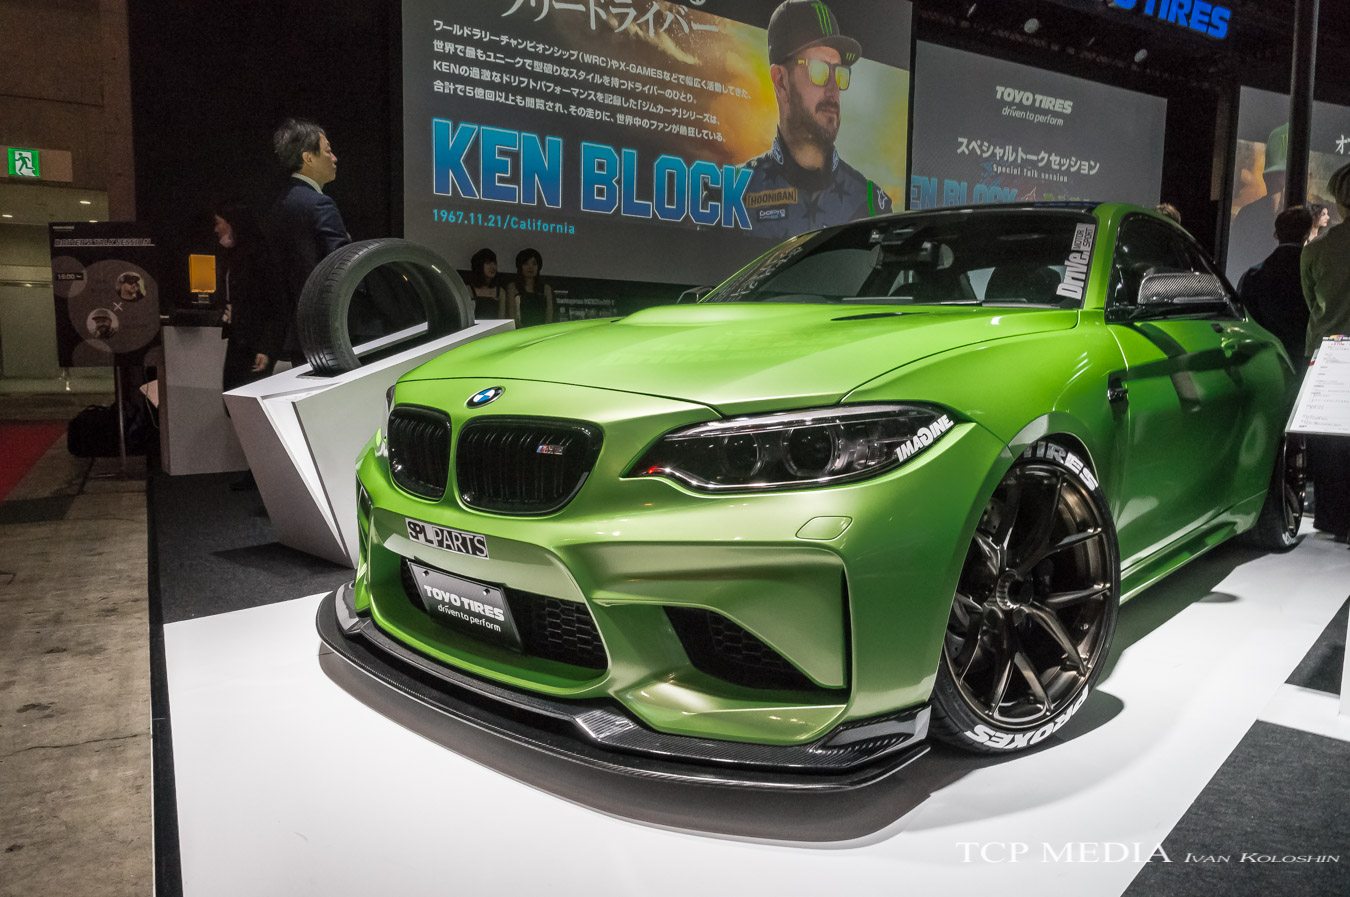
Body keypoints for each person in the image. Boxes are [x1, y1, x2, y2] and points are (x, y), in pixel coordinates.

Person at [741, 0, 892, 239]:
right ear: (781, 81)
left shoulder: (871, 204)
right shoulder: (735, 193)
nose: (833, 89)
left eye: (839, 73)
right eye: (819, 70)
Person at [264, 118, 350, 363]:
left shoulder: (281, 203)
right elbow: (342, 268)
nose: (334, 158)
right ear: (308, 158)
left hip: (296, 330)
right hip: (327, 330)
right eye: (328, 151)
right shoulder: (319, 204)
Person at [1300, 162, 1350, 543]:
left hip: (1327, 352)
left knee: (1329, 444)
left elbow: (1311, 302)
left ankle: (1332, 517)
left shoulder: (1316, 250)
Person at [215, 200, 284, 392]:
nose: (216, 229)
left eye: (219, 223)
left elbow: (276, 307)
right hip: (239, 337)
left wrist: (266, 348)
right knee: (233, 393)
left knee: (247, 395)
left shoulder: (260, 258)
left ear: (233, 224)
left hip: (255, 340)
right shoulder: (234, 256)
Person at [1238, 206, 1313, 370]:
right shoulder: (1314, 273)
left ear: (1276, 234)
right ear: (1307, 234)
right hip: (1305, 355)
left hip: (1268, 357)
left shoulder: (1254, 274)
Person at [1227, 123, 1288, 284]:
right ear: (1267, 179)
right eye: (1279, 185)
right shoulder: (1248, 217)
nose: (1284, 195)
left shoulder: (1248, 215)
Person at [506, 248, 553, 327]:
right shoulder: (512, 287)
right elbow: (512, 317)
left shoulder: (546, 289)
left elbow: (549, 317)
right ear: (520, 266)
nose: (530, 267)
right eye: (526, 263)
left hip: (542, 332)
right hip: (520, 331)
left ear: (538, 267)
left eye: (534, 264)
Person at [467, 248, 506, 321]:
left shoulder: (500, 292)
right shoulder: (469, 290)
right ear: (479, 266)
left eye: (494, 263)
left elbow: (501, 319)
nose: (493, 267)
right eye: (488, 263)